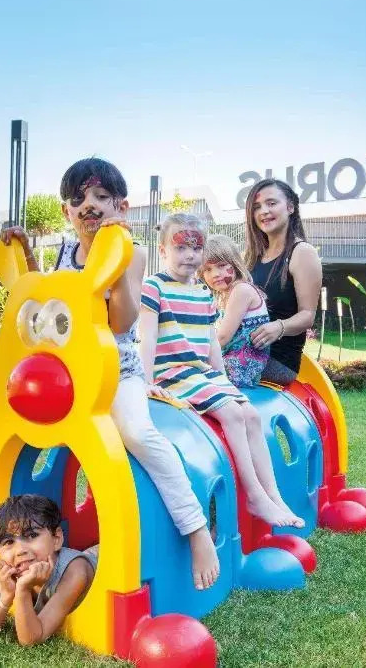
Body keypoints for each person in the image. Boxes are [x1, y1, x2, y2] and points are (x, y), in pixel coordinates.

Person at [0, 158, 219, 591]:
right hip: (67, 376)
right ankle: (24, 548)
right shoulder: (65, 253)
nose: (90, 205)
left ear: (121, 206)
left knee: (137, 433)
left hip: (117, 371)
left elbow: (122, 321)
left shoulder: (131, 252)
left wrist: (114, 264)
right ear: (66, 211)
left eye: (101, 196)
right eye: (78, 198)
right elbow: (46, 304)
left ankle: (196, 531)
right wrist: (25, 254)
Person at [139, 214, 303, 528]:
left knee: (250, 414)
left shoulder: (203, 293)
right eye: (181, 248)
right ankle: (254, 495)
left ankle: (273, 495)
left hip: (201, 373)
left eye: (196, 248)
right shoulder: (154, 286)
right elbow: (147, 337)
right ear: (162, 251)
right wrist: (146, 382)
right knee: (232, 414)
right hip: (172, 372)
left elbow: (212, 341)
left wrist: (223, 382)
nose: (190, 255)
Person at [0, 494, 97, 644]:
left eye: (31, 535)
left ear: (56, 539)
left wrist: (23, 590)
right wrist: (6, 593)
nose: (20, 550)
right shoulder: (12, 571)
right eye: (9, 542)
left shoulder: (75, 572)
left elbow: (31, 639)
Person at [244, 179, 323, 386]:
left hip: (277, 362)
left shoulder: (302, 252)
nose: (263, 211)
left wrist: (279, 327)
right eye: (256, 207)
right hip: (245, 351)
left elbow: (308, 315)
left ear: (290, 207)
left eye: (271, 203)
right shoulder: (253, 257)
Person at [199, 234, 270, 389]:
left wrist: (198, 357)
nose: (215, 274)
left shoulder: (241, 290)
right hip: (233, 360)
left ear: (235, 264)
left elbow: (222, 337)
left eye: (221, 265)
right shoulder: (224, 295)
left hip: (240, 365)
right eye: (208, 269)